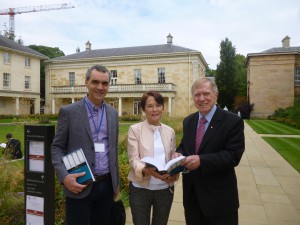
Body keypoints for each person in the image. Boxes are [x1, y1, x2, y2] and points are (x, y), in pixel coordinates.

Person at [51, 65, 120, 225]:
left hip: (106, 186)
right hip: (79, 185)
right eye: (95, 82)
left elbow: (113, 149)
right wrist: (64, 177)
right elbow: (57, 147)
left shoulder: (112, 113)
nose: (100, 87)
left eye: (105, 83)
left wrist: (116, 183)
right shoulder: (69, 112)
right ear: (86, 83)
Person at [175, 78, 245, 225]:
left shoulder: (232, 121)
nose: (201, 99)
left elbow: (233, 156)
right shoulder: (188, 121)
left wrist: (202, 160)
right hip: (192, 198)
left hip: (219, 200)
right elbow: (184, 146)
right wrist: (179, 153)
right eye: (197, 95)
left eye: (206, 93)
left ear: (216, 95)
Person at [127, 90, 178, 225]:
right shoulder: (135, 129)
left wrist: (175, 171)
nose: (155, 110)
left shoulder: (170, 131)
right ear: (143, 109)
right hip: (140, 188)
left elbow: (172, 158)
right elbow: (133, 159)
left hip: (164, 189)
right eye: (150, 106)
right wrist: (149, 170)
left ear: (163, 107)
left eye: (158, 105)